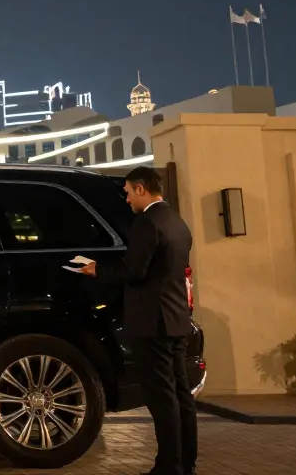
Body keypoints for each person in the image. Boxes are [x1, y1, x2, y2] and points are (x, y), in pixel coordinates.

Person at [79, 166, 197, 475]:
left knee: (162, 398)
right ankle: (187, 463)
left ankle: (169, 466)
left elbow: (133, 272)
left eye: (129, 192)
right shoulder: (177, 221)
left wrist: (96, 271)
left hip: (152, 323)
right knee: (181, 395)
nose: (127, 199)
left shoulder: (147, 223)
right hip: (176, 320)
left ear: (142, 189)